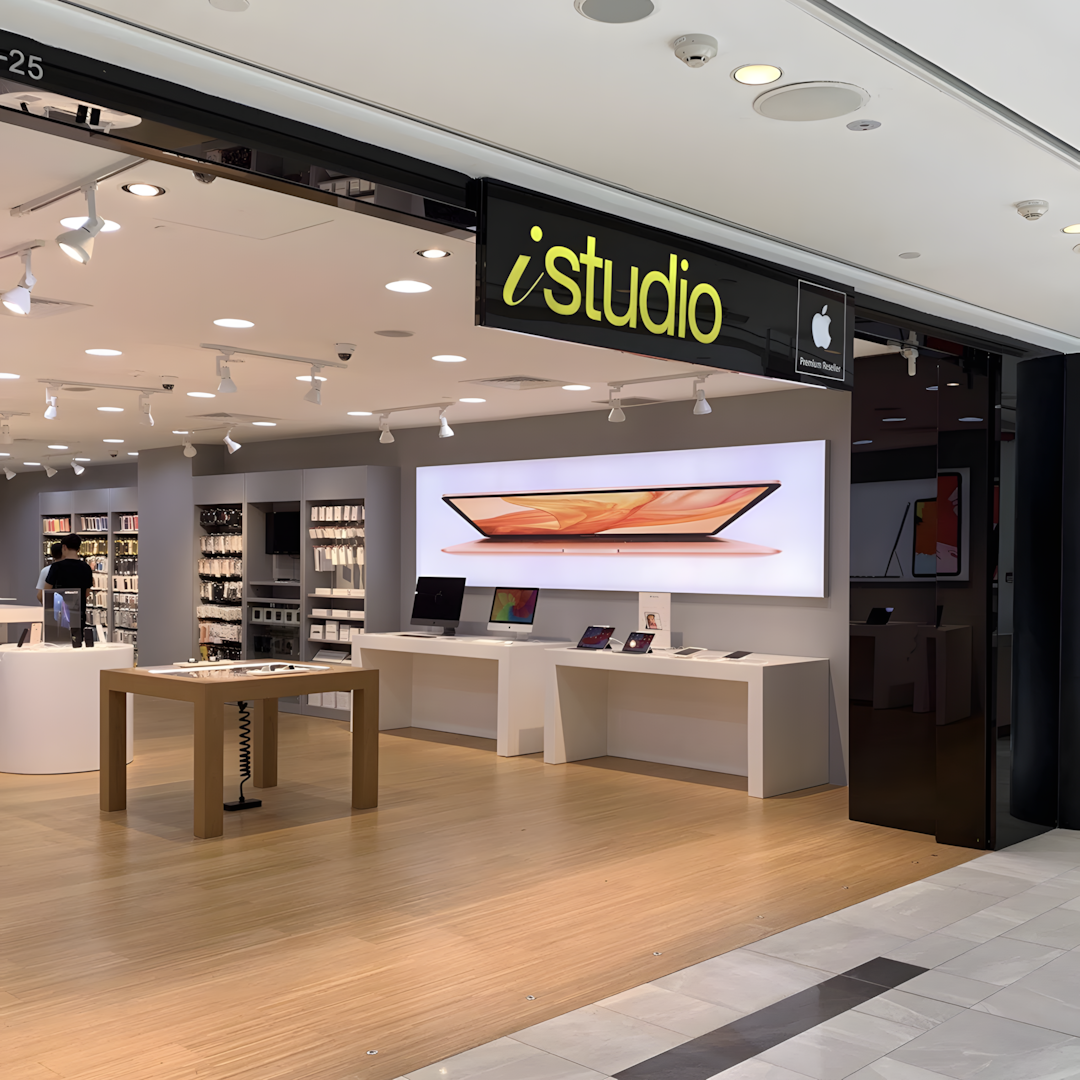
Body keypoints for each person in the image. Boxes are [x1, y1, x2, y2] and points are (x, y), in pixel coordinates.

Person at [44, 534, 94, 639]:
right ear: (79, 549)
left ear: (64, 547)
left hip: (57, 615)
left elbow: (46, 591)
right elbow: (87, 593)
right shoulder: (86, 568)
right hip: (78, 613)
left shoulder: (56, 567)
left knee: (57, 642)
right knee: (77, 642)